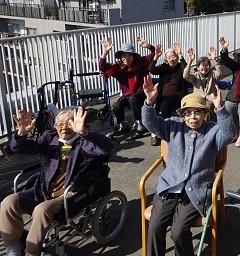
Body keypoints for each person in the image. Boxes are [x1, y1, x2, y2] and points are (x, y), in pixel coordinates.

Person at [141, 75, 235, 256]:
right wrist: (149, 102)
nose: (193, 117)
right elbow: (150, 124)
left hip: (196, 190)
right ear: (182, 114)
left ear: (205, 114)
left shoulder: (213, 130)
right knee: (155, 225)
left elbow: (229, 133)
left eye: (198, 112)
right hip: (169, 187)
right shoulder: (173, 126)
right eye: (188, 113)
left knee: (178, 232)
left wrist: (220, 108)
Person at [0, 107, 112, 256]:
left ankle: (31, 251)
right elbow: (20, 148)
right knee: (8, 202)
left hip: (67, 195)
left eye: (69, 122)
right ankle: (13, 247)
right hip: (43, 190)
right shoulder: (49, 138)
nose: (64, 126)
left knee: (41, 210)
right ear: (55, 126)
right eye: (60, 123)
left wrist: (83, 132)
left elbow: (106, 148)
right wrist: (22, 134)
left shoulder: (84, 142)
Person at [99, 37, 155, 139]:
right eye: (123, 56)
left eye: (129, 55)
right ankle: (123, 124)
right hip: (127, 95)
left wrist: (148, 46)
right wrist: (105, 53)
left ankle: (141, 125)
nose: (126, 58)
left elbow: (154, 54)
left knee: (133, 99)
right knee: (116, 105)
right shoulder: (119, 68)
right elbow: (103, 67)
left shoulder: (140, 63)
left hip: (141, 92)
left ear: (133, 56)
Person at [148, 42, 188, 118]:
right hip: (162, 95)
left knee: (165, 105)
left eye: (173, 56)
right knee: (155, 104)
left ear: (177, 57)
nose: (171, 59)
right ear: (166, 59)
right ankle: (155, 123)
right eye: (169, 57)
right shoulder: (164, 67)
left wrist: (180, 55)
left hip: (177, 96)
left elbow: (186, 71)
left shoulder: (181, 66)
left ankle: (166, 125)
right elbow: (151, 69)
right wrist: (156, 57)